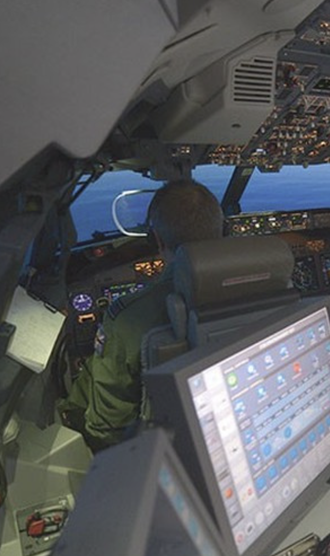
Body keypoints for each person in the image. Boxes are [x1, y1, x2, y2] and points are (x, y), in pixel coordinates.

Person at [59, 179, 223, 452]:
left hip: (160, 450)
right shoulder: (271, 285)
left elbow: (106, 427)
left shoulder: (127, 318)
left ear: (157, 240)